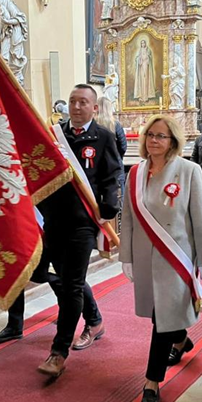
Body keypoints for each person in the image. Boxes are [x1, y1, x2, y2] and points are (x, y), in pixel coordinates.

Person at [119, 114, 202, 402]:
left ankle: (151, 382)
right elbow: (129, 219)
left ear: (173, 141)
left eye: (161, 136)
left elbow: (200, 217)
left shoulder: (189, 170)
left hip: (176, 257)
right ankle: (181, 340)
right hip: (146, 258)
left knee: (161, 319)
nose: (154, 141)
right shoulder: (135, 172)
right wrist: (127, 257)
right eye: (150, 135)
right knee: (159, 315)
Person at [36, 84, 122, 377]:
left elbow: (111, 176)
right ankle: (94, 320)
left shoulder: (104, 138)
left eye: (83, 102)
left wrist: (109, 207)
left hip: (82, 223)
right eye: (72, 101)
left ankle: (58, 352)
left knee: (71, 285)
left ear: (94, 108)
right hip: (52, 221)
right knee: (63, 278)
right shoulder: (53, 137)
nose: (75, 107)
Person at [95, 96, 127, 196]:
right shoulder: (115, 124)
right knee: (118, 194)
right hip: (114, 164)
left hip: (97, 163)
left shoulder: (93, 124)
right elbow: (123, 146)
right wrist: (118, 156)